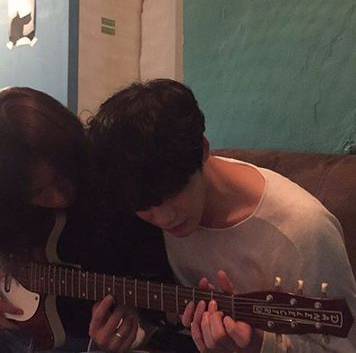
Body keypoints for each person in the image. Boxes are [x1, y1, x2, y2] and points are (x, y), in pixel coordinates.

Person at [0, 86, 193, 353]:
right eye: (38, 192)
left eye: (64, 176)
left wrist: (132, 317)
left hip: (77, 341)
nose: (60, 197)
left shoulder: (110, 177)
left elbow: (151, 274)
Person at [86, 78, 356, 352]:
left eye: (174, 193)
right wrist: (134, 331)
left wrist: (258, 344)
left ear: (203, 149)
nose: (165, 218)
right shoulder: (138, 203)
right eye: (145, 206)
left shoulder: (303, 229)